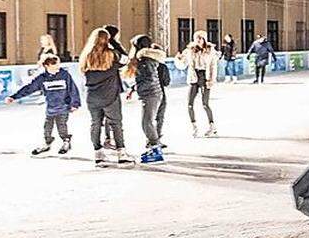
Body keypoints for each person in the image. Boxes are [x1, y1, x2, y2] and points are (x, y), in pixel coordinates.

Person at [5, 53, 81, 155]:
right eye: (54, 65)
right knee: (47, 128)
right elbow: (29, 88)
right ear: (47, 66)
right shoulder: (42, 78)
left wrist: (75, 104)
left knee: (61, 126)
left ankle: (66, 141)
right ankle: (47, 143)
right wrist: (14, 97)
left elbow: (73, 89)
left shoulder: (64, 75)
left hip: (63, 107)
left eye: (58, 64)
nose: (57, 67)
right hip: (51, 108)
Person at [79, 28, 133, 165]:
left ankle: (98, 153)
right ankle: (121, 153)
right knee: (116, 123)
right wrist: (114, 42)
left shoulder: (85, 56)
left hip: (92, 96)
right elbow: (126, 59)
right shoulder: (112, 55)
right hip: (110, 95)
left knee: (95, 123)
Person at [123, 34, 167, 163]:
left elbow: (145, 78)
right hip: (151, 93)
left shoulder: (144, 61)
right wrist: (133, 88)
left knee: (146, 122)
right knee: (147, 122)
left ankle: (155, 149)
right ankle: (154, 147)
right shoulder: (147, 59)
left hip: (150, 94)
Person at [177, 30, 218, 137]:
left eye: (201, 38)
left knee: (205, 104)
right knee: (189, 104)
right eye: (197, 38)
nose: (199, 40)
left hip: (205, 77)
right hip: (193, 77)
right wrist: (178, 59)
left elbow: (213, 66)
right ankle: (194, 126)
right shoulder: (189, 50)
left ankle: (212, 126)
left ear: (204, 39)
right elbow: (182, 65)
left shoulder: (210, 51)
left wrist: (211, 80)